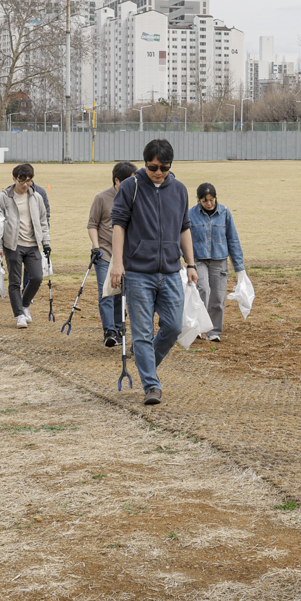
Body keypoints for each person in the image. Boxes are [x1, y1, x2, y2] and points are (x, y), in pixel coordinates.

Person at [108, 139, 198, 407]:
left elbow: (184, 228)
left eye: (164, 167)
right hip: (138, 273)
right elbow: (118, 226)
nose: (159, 172)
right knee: (142, 333)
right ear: (145, 163)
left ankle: (146, 362)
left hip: (170, 271)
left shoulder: (179, 190)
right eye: (153, 167)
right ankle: (151, 385)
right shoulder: (130, 187)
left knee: (173, 326)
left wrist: (191, 264)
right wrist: (117, 263)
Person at [0, 163, 51, 329]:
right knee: (15, 281)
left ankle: (25, 304)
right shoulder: (4, 197)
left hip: (33, 244)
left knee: (37, 277)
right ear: (14, 179)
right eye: (21, 181)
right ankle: (19, 315)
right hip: (13, 245)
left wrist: (46, 242)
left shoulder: (36, 197)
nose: (25, 185)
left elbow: (43, 221)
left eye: (28, 181)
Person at [188, 182, 244, 343]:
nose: (209, 203)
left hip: (219, 261)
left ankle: (213, 331)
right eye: (205, 200)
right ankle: (198, 327)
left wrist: (239, 267)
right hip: (199, 260)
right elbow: (184, 238)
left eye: (212, 199)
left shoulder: (225, 213)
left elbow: (233, 239)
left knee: (218, 298)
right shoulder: (190, 214)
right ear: (199, 200)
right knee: (203, 290)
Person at [88, 161, 136, 347]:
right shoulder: (102, 198)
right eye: (129, 180)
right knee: (106, 292)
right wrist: (96, 247)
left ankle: (118, 327)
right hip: (105, 254)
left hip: (125, 255)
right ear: (117, 180)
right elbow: (92, 224)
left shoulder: (135, 198)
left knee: (120, 292)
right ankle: (109, 331)